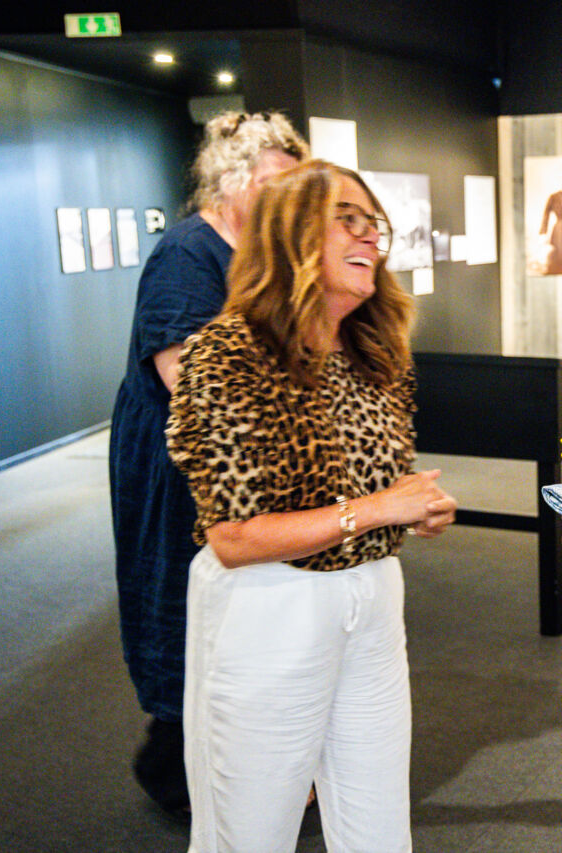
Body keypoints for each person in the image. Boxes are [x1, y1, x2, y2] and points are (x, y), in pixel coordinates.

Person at [165, 160, 457, 852]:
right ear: (292, 236)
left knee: (378, 819)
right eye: (348, 220)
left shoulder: (375, 351)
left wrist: (414, 505)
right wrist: (379, 507)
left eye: (374, 224)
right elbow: (233, 536)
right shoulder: (226, 354)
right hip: (269, 606)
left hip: (374, 598)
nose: (371, 239)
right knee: (252, 823)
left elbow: (370, 486)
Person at [108, 110, 306, 819]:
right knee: (190, 601)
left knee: (251, 610)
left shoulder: (264, 253)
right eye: (279, 185)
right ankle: (175, 768)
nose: (293, 200)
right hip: (183, 463)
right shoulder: (187, 253)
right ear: (233, 180)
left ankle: (245, 761)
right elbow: (189, 378)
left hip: (248, 455)